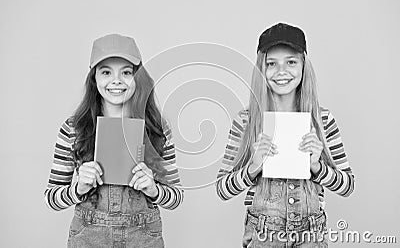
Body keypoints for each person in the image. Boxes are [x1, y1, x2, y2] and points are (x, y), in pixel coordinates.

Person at [216, 23, 355, 247]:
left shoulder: (322, 119)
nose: (282, 72)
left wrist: (317, 167)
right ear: (262, 69)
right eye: (272, 64)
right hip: (263, 235)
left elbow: (347, 186)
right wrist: (254, 167)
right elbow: (222, 189)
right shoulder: (247, 121)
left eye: (291, 62)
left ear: (303, 66)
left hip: (311, 235)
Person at [44, 34, 183, 248]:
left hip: (143, 237)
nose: (116, 81)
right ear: (94, 78)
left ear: (138, 77)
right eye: (106, 72)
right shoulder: (73, 129)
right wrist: (78, 188)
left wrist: (154, 189)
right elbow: (51, 198)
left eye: (126, 72)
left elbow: (176, 197)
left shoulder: (157, 129)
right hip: (89, 237)